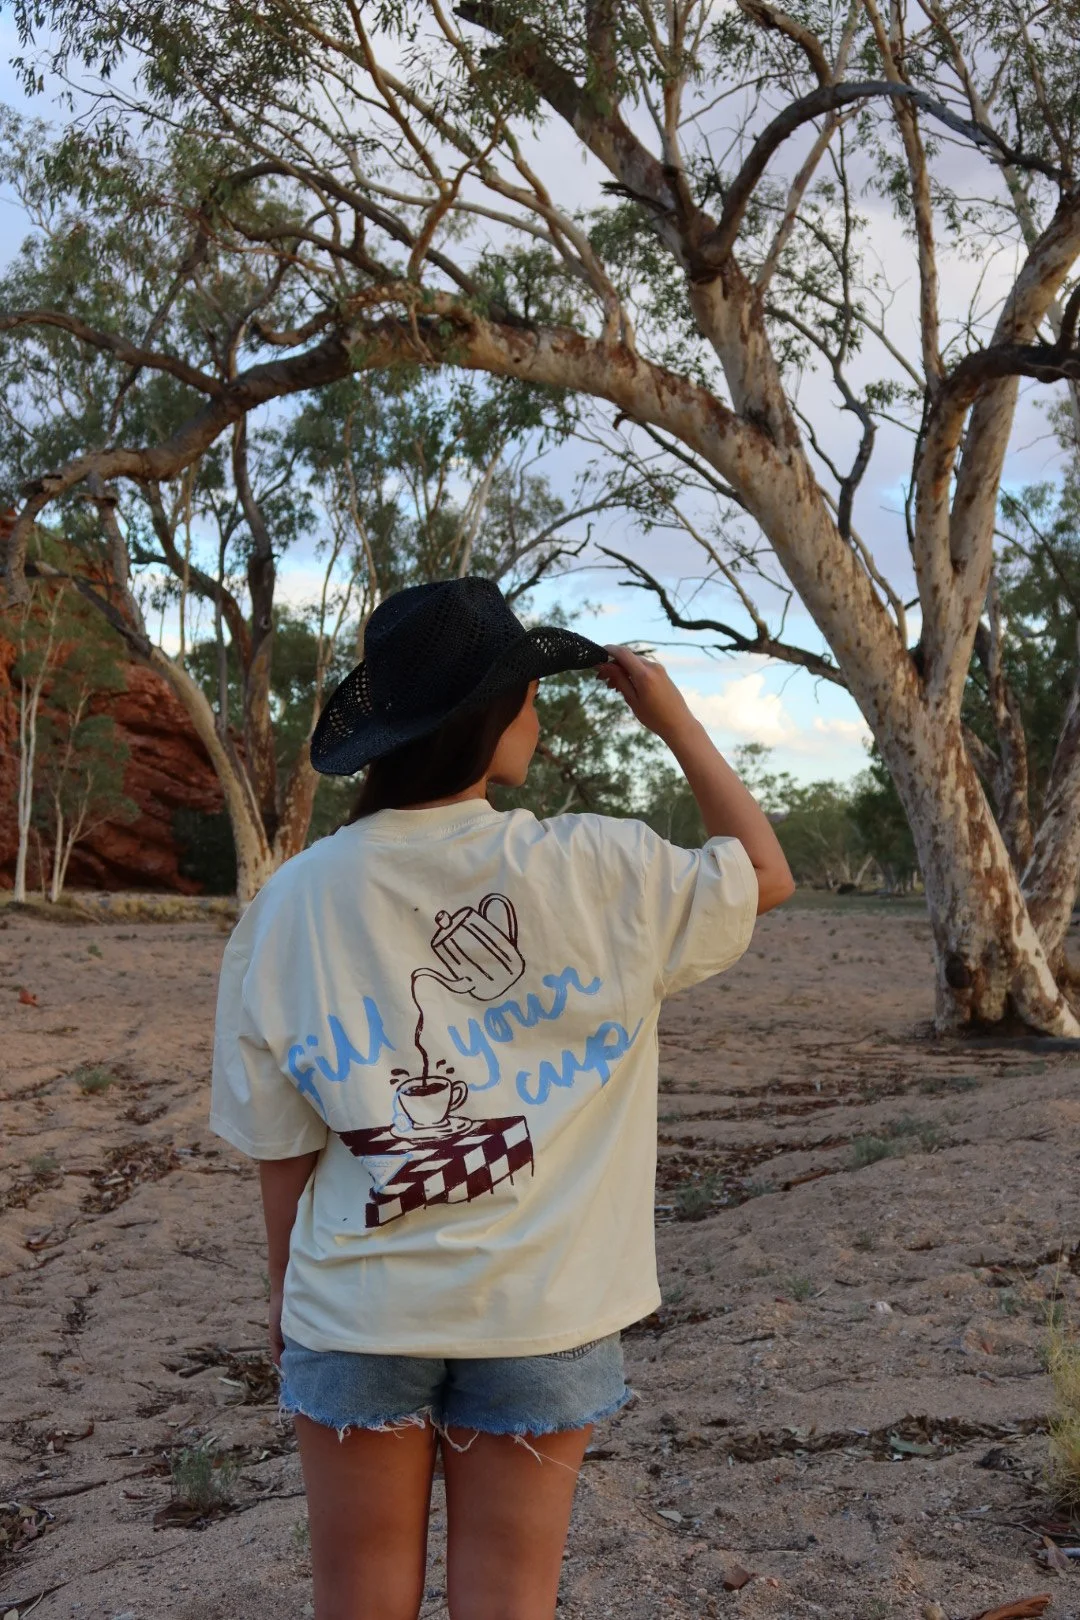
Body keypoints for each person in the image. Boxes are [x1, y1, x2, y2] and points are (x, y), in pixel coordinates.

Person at [210, 576, 793, 1620]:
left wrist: (282, 1299)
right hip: (544, 1311)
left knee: (356, 1601)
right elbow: (762, 871)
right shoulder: (600, 867)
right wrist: (674, 718)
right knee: (510, 1603)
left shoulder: (292, 902)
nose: (537, 709)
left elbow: (280, 1142)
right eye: (527, 691)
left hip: (354, 1309)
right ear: (496, 717)